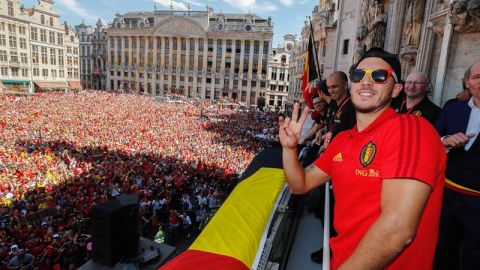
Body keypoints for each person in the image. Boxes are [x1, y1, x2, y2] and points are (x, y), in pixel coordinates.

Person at [279, 48, 446, 269]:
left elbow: (397, 230)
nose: (366, 82)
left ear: (396, 90)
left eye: (379, 76)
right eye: (359, 75)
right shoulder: (342, 140)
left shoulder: (412, 129)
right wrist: (289, 148)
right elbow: (300, 184)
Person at [434, 60, 480, 270]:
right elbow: (432, 140)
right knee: (443, 250)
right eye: (477, 77)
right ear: (466, 82)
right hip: (447, 199)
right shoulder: (453, 110)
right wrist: (446, 141)